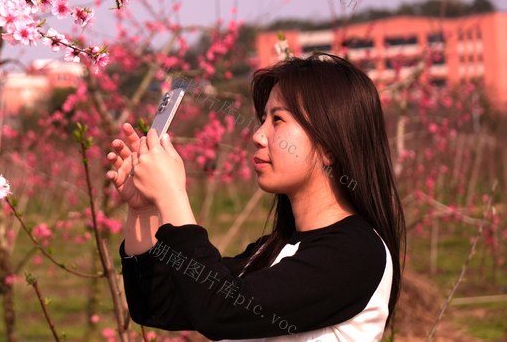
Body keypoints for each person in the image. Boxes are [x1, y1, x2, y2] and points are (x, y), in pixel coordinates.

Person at [107, 52, 405, 341]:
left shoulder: (356, 254)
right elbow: (158, 305)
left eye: (277, 120)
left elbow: (220, 310)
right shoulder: (271, 251)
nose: (258, 135)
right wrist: (144, 210)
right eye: (263, 119)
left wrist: (172, 196)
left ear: (329, 147)